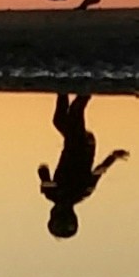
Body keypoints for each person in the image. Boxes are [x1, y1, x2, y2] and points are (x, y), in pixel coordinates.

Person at [38, 90, 126, 239]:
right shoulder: (55, 194)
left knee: (62, 120)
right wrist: (45, 181)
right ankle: (82, 88)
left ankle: (65, 89)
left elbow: (98, 172)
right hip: (79, 145)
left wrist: (113, 157)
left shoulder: (82, 193)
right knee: (73, 114)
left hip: (84, 145)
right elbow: (42, 169)